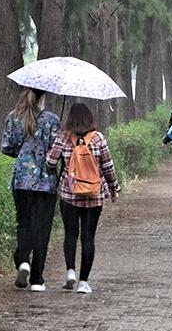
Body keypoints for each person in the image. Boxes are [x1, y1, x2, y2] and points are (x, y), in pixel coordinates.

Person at [46, 103, 120, 294]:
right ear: (89, 118)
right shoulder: (98, 138)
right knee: (89, 237)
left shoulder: (64, 137)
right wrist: (114, 188)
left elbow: (51, 162)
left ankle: (70, 271)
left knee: (71, 234)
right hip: (94, 195)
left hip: (69, 194)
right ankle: (83, 282)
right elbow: (108, 167)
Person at [1, 88, 60, 292]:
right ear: (42, 98)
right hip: (45, 181)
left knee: (23, 222)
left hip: (21, 181)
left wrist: (24, 153)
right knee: (41, 229)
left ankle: (23, 260)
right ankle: (37, 279)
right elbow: (57, 149)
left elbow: (6, 147)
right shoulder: (52, 120)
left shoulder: (13, 118)